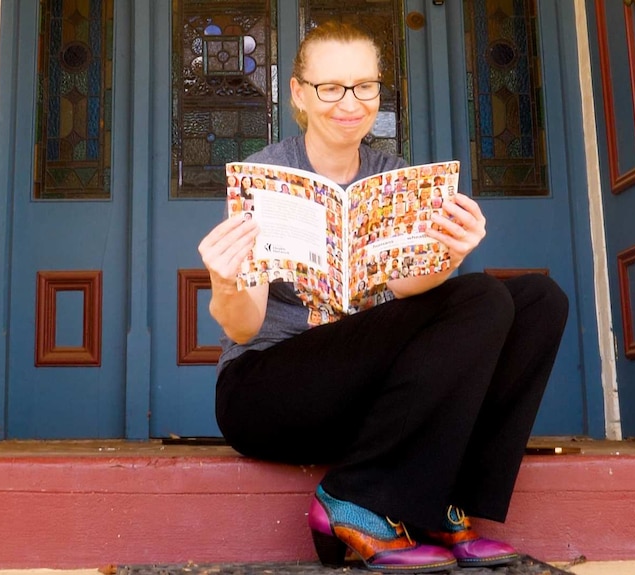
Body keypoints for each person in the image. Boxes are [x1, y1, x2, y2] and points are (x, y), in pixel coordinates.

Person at [198, 21, 569, 574]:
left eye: (365, 86)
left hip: (369, 396)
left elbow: (406, 293)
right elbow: (245, 327)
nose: (350, 103)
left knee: (539, 299)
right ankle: (358, 496)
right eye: (331, 87)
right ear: (299, 93)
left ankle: (439, 500)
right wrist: (225, 281)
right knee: (484, 299)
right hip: (268, 392)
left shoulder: (394, 179)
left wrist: (443, 260)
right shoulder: (264, 176)